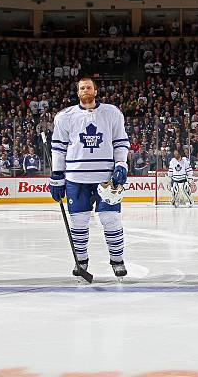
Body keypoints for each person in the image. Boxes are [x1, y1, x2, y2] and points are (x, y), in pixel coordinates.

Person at [48, 77, 129, 279]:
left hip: (106, 177)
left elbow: (121, 142)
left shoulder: (112, 113)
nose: (85, 90)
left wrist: (121, 164)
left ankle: (117, 261)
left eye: (89, 87)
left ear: (95, 90)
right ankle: (81, 261)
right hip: (76, 177)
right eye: (82, 88)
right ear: (77, 92)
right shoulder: (65, 116)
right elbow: (58, 148)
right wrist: (57, 175)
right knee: (79, 222)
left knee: (111, 219)